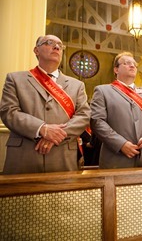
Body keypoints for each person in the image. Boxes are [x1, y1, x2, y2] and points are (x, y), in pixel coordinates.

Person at [0, 35, 90, 174]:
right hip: (24, 155)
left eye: (60, 45)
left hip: (62, 155)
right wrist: (42, 129)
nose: (57, 47)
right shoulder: (15, 79)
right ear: (36, 50)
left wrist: (58, 134)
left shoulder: (77, 85)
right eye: (49, 43)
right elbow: (9, 112)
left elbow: (84, 116)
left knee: (61, 195)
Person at [90, 51, 142, 169]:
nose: (132, 66)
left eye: (134, 64)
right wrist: (120, 144)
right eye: (127, 63)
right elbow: (97, 122)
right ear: (116, 69)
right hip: (115, 159)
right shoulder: (103, 91)